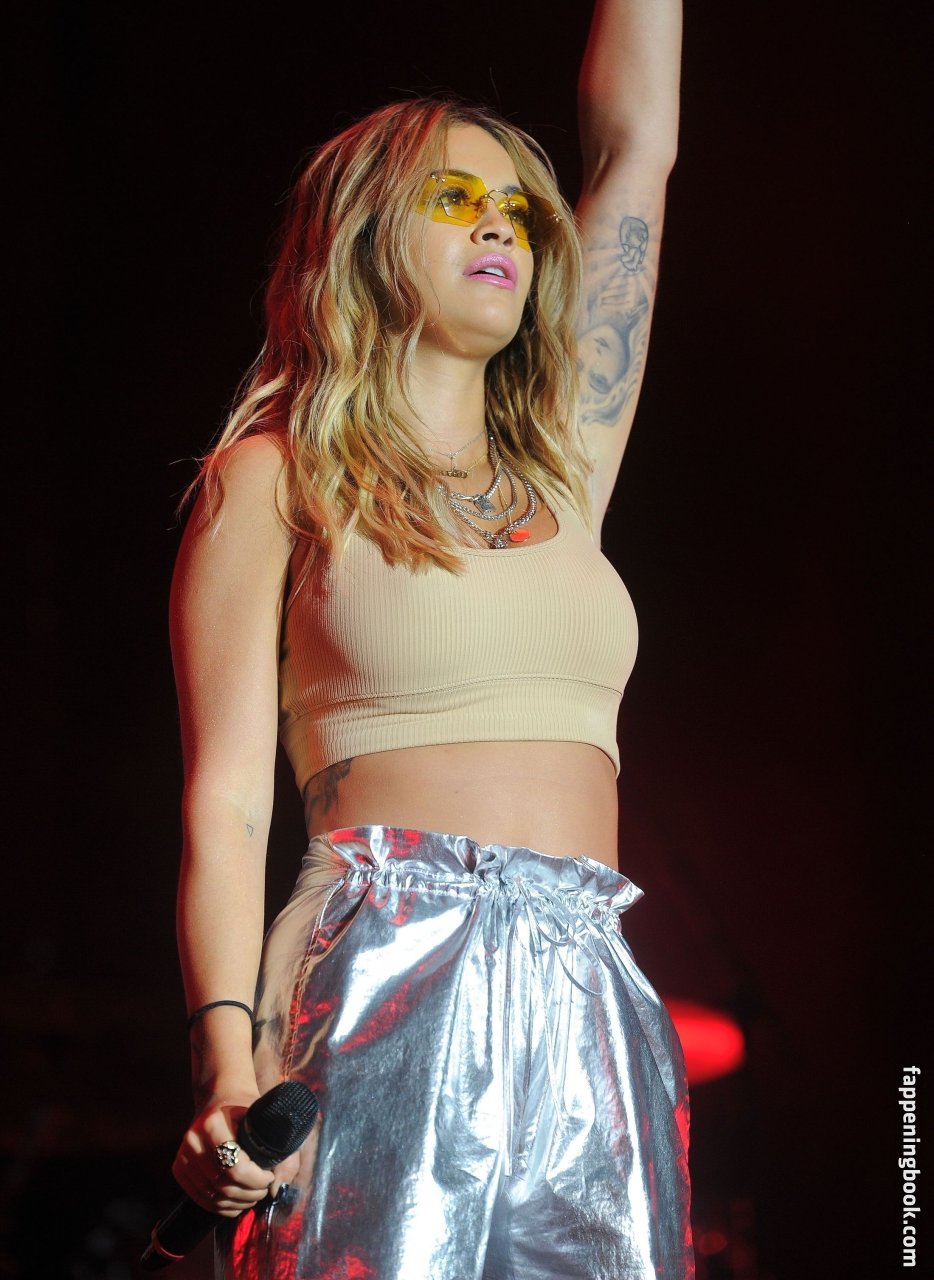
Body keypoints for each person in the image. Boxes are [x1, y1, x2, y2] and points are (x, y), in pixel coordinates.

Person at [168, 1, 690, 1275]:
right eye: (456, 200)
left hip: (589, 983)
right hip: (382, 961)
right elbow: (227, 802)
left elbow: (636, 146)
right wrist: (226, 1058)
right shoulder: (273, 478)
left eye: (516, 211)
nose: (500, 226)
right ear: (364, 235)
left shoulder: (563, 465)